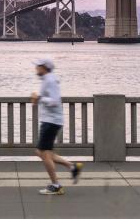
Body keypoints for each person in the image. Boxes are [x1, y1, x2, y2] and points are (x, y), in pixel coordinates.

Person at [31, 58, 83, 195]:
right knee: (41, 152)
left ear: (44, 67)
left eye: (38, 66)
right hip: (50, 120)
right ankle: (72, 167)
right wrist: (39, 99)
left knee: (44, 153)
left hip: (51, 121)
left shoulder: (50, 80)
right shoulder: (48, 79)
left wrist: (39, 98)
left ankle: (56, 185)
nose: (36, 68)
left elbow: (54, 101)